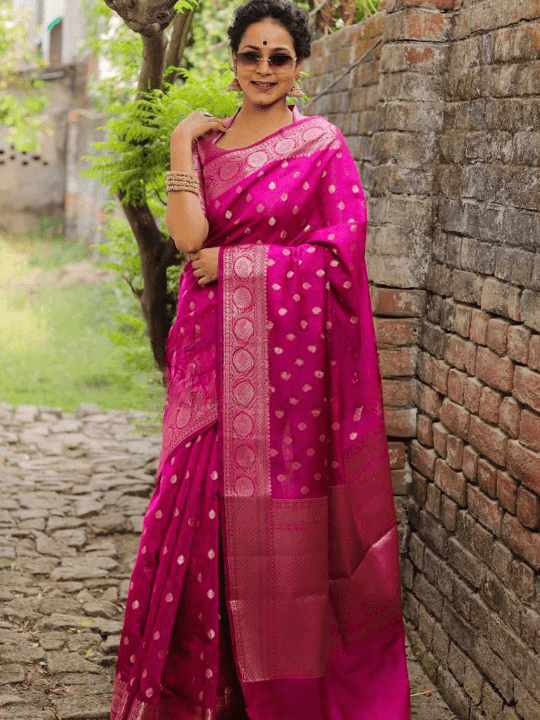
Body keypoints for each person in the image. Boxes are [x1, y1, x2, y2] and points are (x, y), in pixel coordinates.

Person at [111, 0, 410, 718]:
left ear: (298, 66)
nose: (265, 70)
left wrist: (243, 267)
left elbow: (343, 250)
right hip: (208, 357)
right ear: (234, 61)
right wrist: (182, 143)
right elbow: (187, 241)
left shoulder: (321, 144)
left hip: (290, 369)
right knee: (190, 504)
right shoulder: (210, 146)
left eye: (279, 58)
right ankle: (200, 688)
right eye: (252, 56)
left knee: (278, 510)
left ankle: (273, 685)